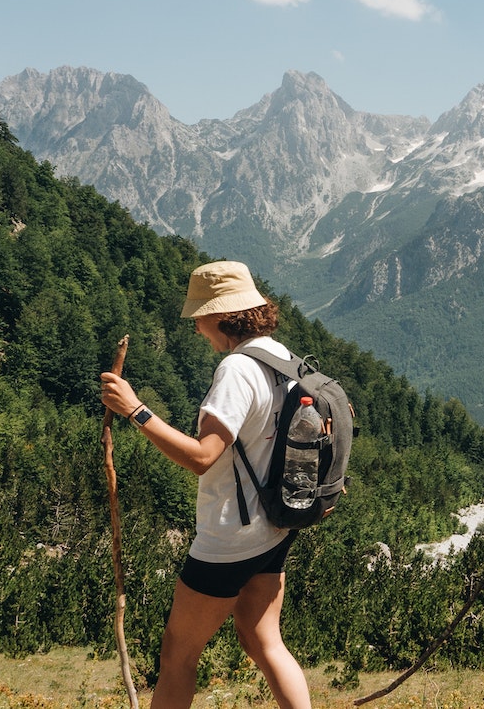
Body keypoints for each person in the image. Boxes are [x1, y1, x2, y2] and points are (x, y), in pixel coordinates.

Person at [100, 260, 311, 709]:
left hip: (230, 537)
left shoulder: (238, 370)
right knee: (262, 639)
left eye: (198, 317)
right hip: (275, 525)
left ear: (220, 315)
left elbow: (202, 457)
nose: (197, 328)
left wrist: (136, 410)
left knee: (178, 653)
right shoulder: (284, 359)